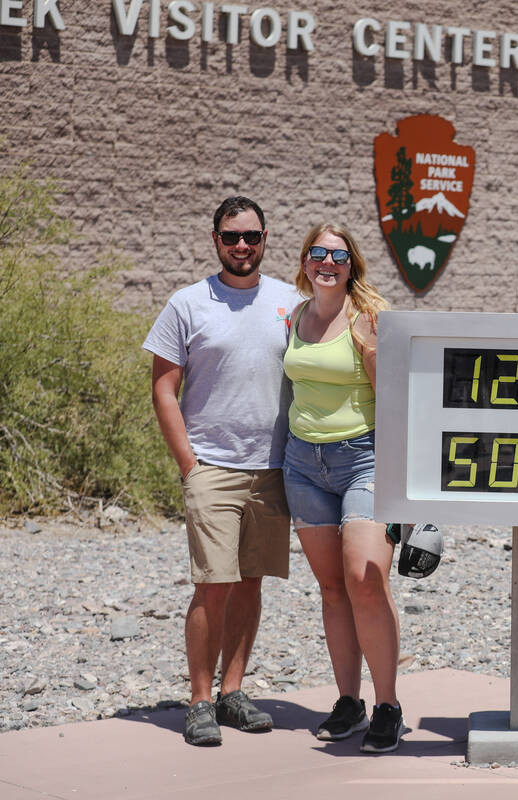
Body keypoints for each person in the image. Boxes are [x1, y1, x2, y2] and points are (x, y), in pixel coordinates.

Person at [143, 196, 300, 746]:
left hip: (274, 468)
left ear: (264, 239)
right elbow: (164, 388)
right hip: (212, 465)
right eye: (232, 236)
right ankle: (201, 699)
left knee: (251, 584)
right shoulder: (187, 304)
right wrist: (189, 463)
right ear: (215, 239)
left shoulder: (291, 300)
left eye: (252, 237)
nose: (242, 246)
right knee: (214, 585)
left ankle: (234, 691)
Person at [282, 223, 406, 753]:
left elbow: (396, 398)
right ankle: (349, 701)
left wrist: (372, 350)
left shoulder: (369, 319)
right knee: (332, 588)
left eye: (337, 255)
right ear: (305, 261)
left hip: (363, 459)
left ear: (351, 263)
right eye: (317, 254)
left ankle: (388, 706)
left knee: (364, 579)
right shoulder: (294, 315)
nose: (326, 262)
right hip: (303, 464)